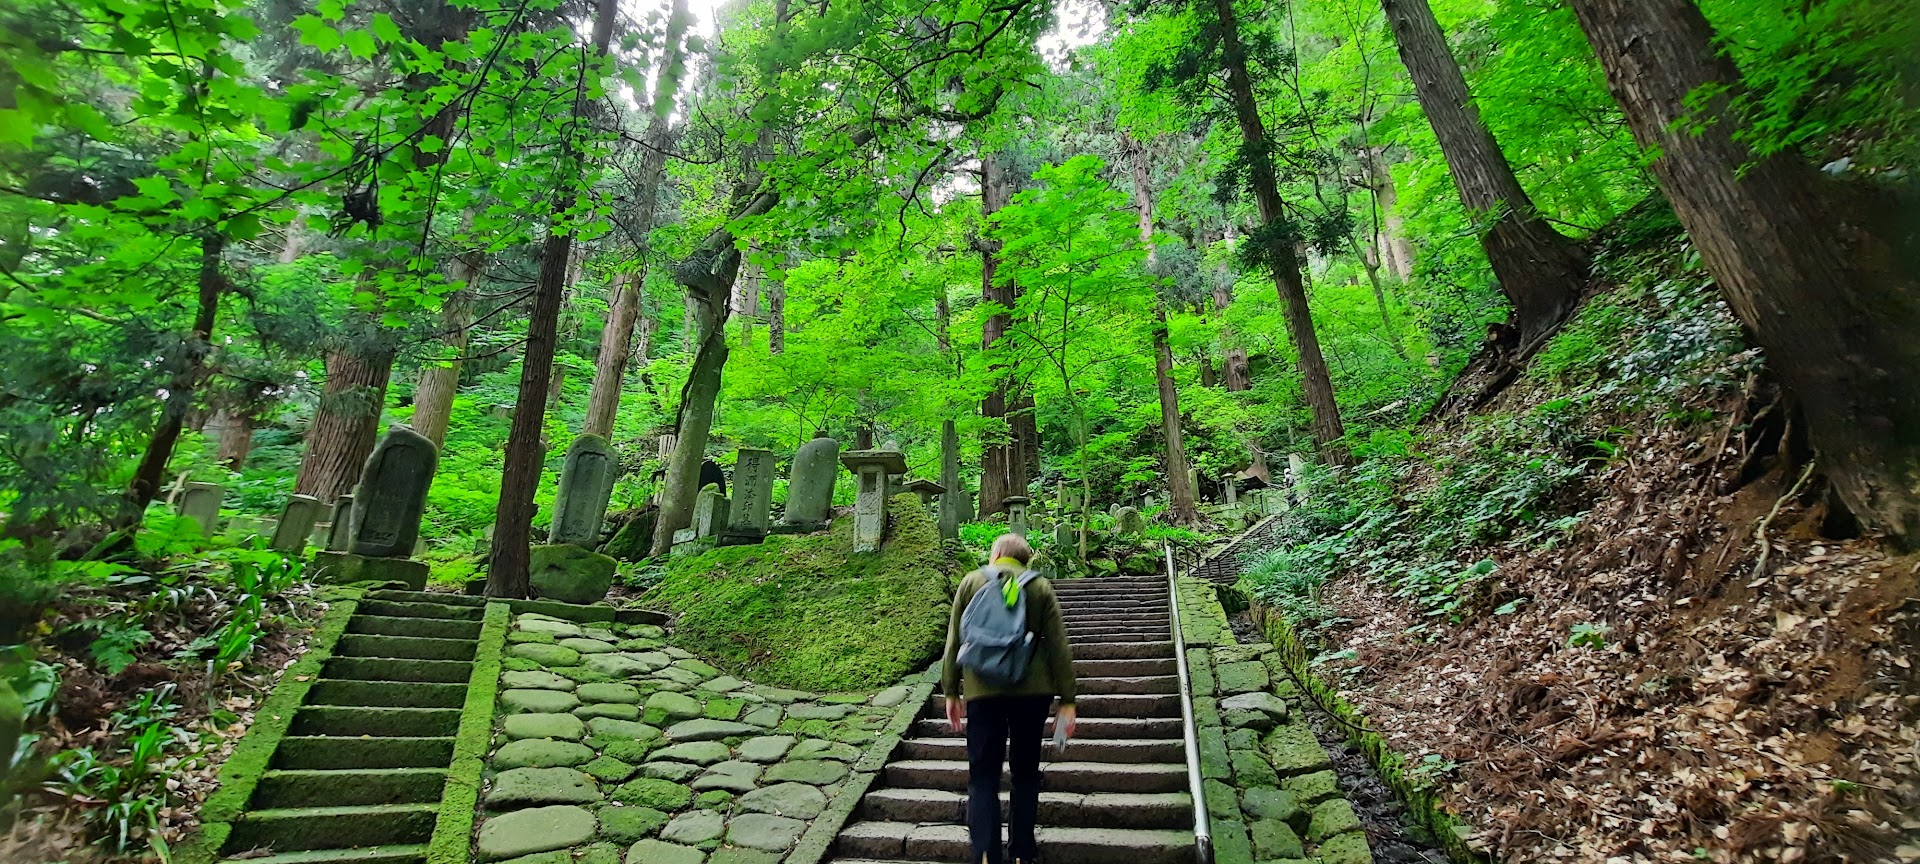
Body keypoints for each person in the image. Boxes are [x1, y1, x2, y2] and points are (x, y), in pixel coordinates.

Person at [942, 534, 1077, 864]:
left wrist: (950, 690)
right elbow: (1058, 645)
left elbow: (954, 639)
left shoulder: (971, 582)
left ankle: (987, 853)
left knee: (984, 775)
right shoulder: (1040, 586)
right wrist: (1068, 698)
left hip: (982, 691)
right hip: (1032, 693)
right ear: (1024, 559)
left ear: (997, 553)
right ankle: (1021, 853)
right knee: (1025, 773)